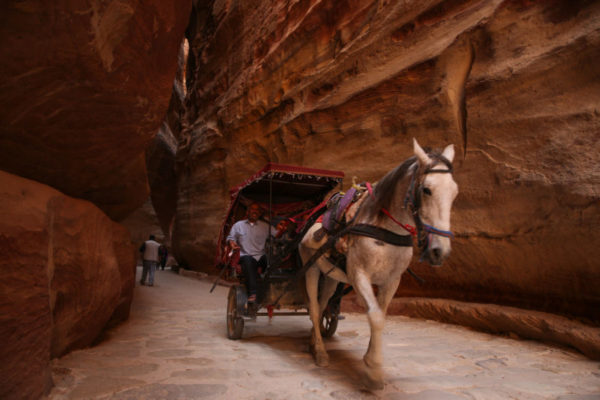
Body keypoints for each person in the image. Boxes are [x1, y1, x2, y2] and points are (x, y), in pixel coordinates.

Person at [226, 203, 273, 303]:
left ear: (259, 213)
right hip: (246, 256)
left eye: (257, 210)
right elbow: (231, 238)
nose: (254, 211)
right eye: (252, 209)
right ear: (248, 211)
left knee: (271, 261)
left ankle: (271, 291)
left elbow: (278, 234)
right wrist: (232, 243)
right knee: (248, 261)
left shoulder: (265, 226)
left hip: (260, 256)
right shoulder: (238, 225)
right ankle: (253, 293)